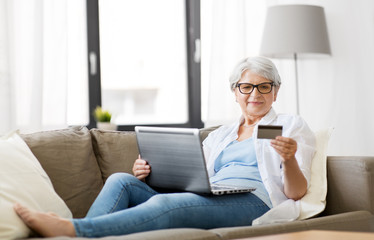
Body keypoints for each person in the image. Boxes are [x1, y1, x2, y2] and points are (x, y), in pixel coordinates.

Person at [13, 56, 315, 237]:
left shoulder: (291, 125)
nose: (255, 94)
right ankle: (80, 231)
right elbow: (194, 178)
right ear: (235, 92)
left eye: (264, 86)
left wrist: (288, 160)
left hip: (254, 200)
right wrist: (147, 174)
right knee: (123, 181)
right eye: (246, 86)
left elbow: (296, 192)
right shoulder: (220, 135)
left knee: (163, 205)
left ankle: (73, 230)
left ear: (275, 92)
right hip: (211, 195)